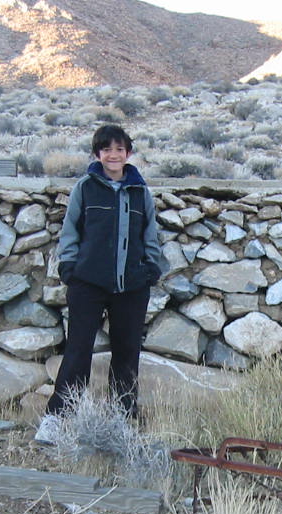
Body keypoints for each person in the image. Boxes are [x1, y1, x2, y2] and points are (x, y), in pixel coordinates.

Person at [34, 124, 165, 444]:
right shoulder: (85, 188)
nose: (113, 155)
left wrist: (151, 267)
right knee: (78, 351)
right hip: (88, 284)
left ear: (128, 153)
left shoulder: (140, 191)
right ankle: (56, 419)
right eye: (107, 149)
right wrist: (69, 267)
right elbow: (71, 230)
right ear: (97, 154)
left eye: (119, 149)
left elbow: (150, 233)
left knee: (127, 354)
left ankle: (123, 418)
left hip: (131, 287)